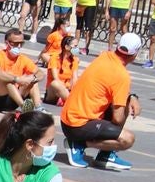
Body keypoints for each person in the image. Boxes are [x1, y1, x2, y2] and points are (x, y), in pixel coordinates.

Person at [60, 31, 142, 170]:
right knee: (127, 139)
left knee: (121, 102)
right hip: (77, 126)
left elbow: (111, 86)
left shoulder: (105, 56)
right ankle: (79, 145)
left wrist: (130, 97)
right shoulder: (122, 75)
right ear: (135, 55)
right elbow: (117, 118)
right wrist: (127, 106)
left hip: (68, 120)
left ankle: (105, 155)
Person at [0, 28, 42, 113]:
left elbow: (40, 73)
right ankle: (24, 107)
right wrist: (18, 79)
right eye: (15, 43)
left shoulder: (23, 58)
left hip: (13, 99)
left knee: (33, 80)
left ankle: (39, 108)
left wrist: (33, 78)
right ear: (7, 43)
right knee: (8, 80)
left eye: (21, 43)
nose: (18, 46)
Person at [39, 29, 78, 106]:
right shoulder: (54, 58)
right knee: (55, 83)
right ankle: (73, 104)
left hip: (67, 90)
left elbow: (75, 78)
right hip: (53, 92)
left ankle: (69, 100)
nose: (77, 49)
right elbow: (55, 78)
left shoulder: (74, 60)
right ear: (66, 47)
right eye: (75, 46)